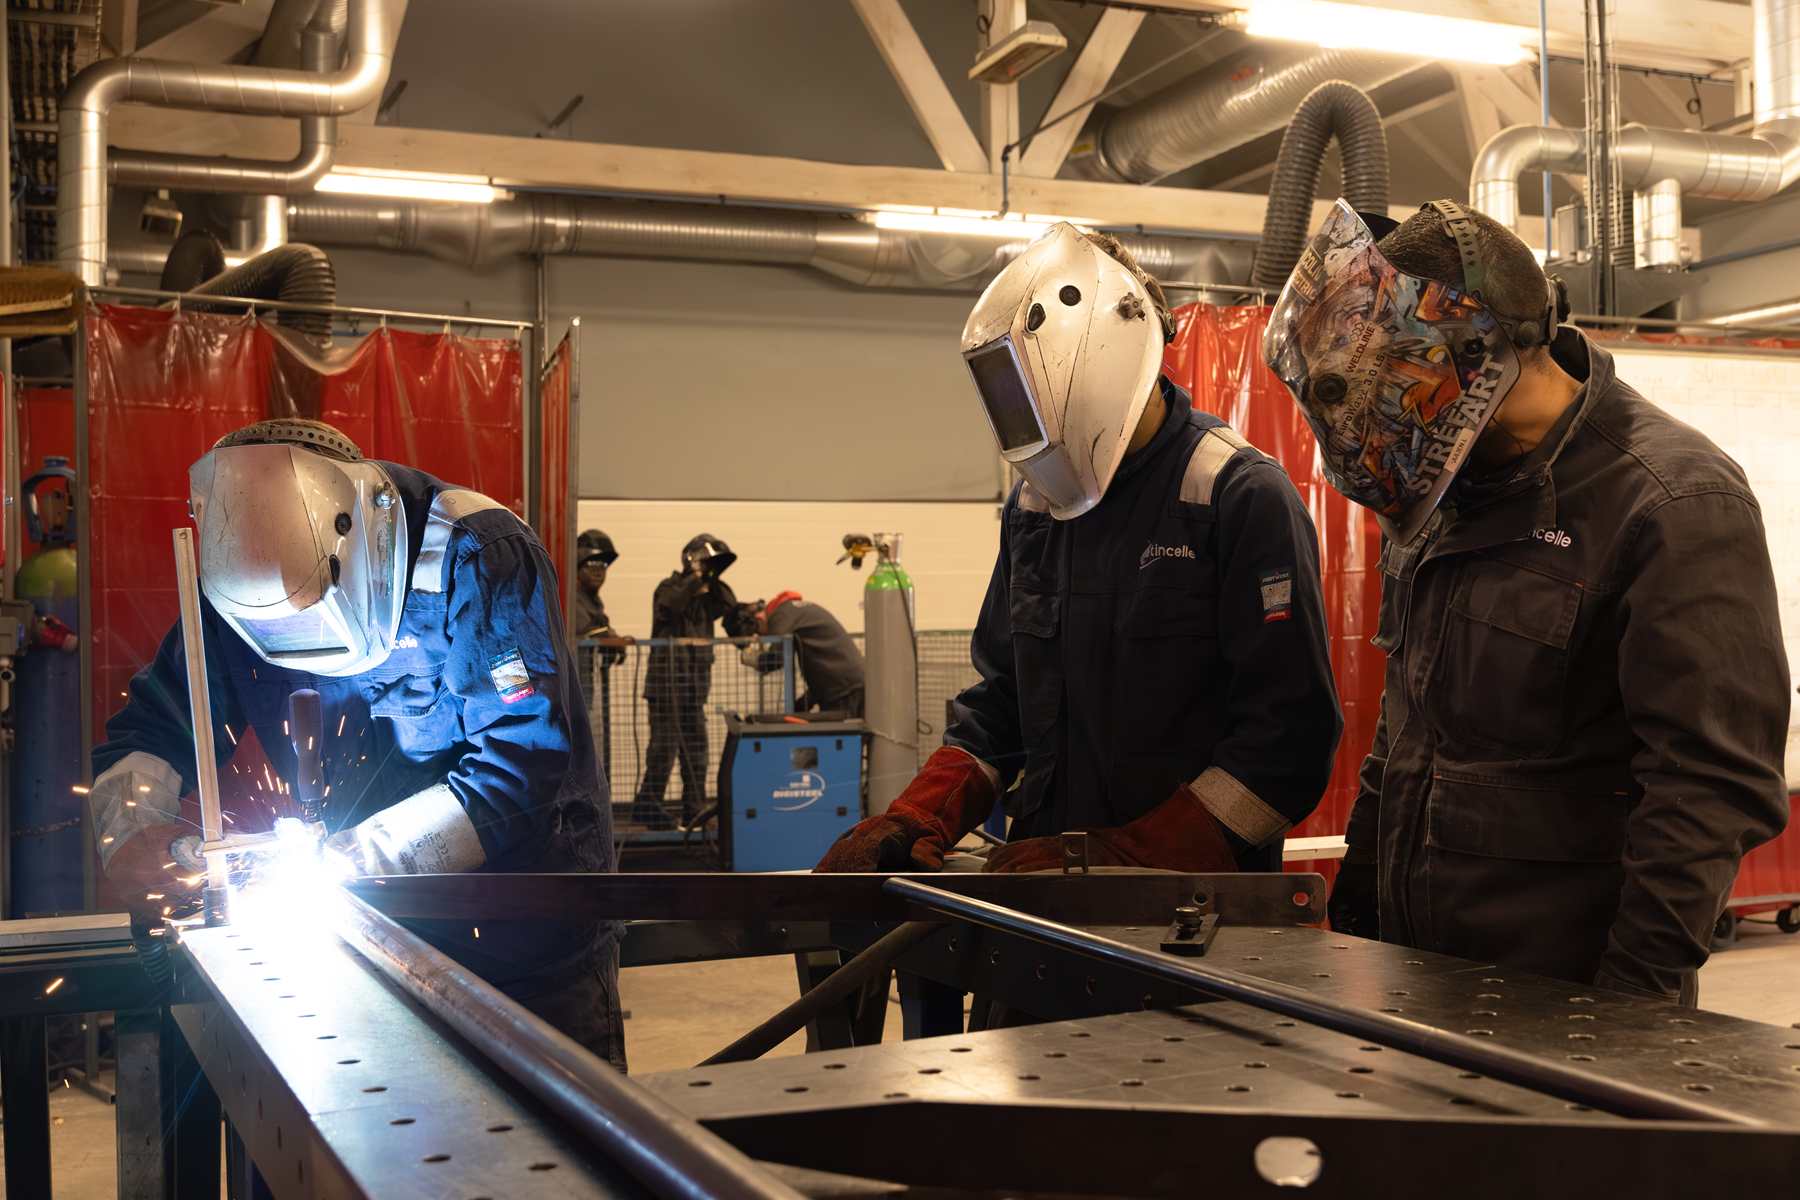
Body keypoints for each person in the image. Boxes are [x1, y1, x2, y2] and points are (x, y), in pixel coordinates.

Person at [1263, 198, 1790, 1003]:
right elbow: (1402, 741)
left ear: (1464, 350)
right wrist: (1358, 935)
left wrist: (1628, 1014)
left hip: (1568, 994)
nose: (1378, 411)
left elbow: (1708, 790)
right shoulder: (1445, 490)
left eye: (1392, 372)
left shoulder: (1672, 501)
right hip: (1417, 979)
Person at [86, 419, 625, 1069]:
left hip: (521, 944)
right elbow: (151, 729)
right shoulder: (232, 586)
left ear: (362, 536)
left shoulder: (478, 555)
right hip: (355, 939)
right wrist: (133, 833)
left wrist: (350, 860)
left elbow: (522, 765)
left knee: (549, 1128)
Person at [817, 223, 1343, 877]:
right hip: (1044, 883)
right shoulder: (1037, 509)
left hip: (1196, 906)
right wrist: (920, 814)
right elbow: (1003, 700)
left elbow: (1289, 742)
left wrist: (1132, 858)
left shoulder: (1235, 495)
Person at [633, 534, 738, 829]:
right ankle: (648, 806)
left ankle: (694, 810)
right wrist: (694, 578)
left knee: (697, 752)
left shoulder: (706, 599)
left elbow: (728, 604)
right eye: (706, 563)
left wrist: (712, 578)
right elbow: (669, 606)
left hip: (694, 690)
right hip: (665, 687)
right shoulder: (668, 588)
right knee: (662, 751)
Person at [726, 592, 866, 717]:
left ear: (758, 618)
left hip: (844, 692)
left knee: (840, 736)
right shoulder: (790, 612)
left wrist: (750, 657)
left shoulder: (779, 617)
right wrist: (804, 703)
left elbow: (776, 660)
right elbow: (822, 667)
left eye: (757, 633)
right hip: (848, 685)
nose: (761, 637)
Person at [572, 528, 620, 639]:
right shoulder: (572, 603)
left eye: (602, 565)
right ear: (578, 568)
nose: (598, 572)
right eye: (592, 564)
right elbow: (587, 635)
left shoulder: (594, 602)